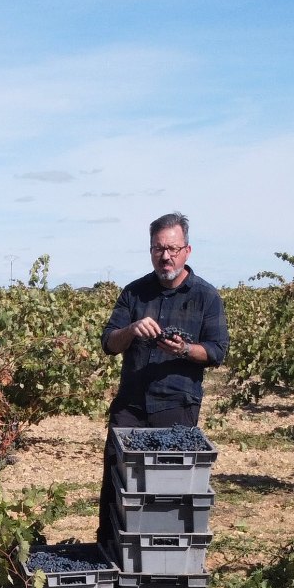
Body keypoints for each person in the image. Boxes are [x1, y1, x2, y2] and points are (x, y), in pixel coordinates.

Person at [95, 212, 229, 546]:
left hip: (176, 404)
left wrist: (184, 349)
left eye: (172, 248)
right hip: (131, 405)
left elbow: (217, 352)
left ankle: (163, 556)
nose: (165, 256)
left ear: (187, 250)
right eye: (158, 248)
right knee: (117, 479)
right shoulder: (134, 293)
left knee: (169, 488)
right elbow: (109, 343)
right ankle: (111, 550)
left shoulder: (206, 297)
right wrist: (131, 329)